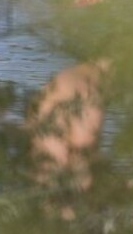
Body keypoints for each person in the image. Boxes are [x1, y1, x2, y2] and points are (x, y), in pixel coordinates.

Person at [29, 59, 111, 220]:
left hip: (38, 191)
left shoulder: (62, 79)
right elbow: (81, 153)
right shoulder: (89, 91)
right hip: (64, 206)